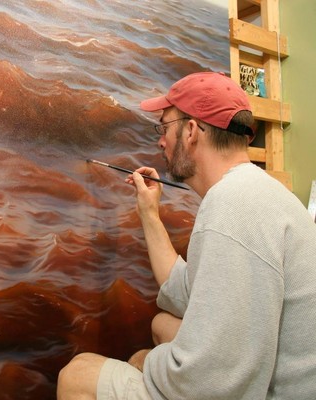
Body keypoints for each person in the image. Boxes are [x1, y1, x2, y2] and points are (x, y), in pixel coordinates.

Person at [57, 71, 316, 399]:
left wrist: (148, 363)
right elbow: (187, 288)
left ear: (191, 131)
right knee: (160, 326)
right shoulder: (259, 191)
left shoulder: (232, 204)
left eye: (164, 127)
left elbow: (212, 382)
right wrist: (149, 213)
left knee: (77, 374)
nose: (160, 140)